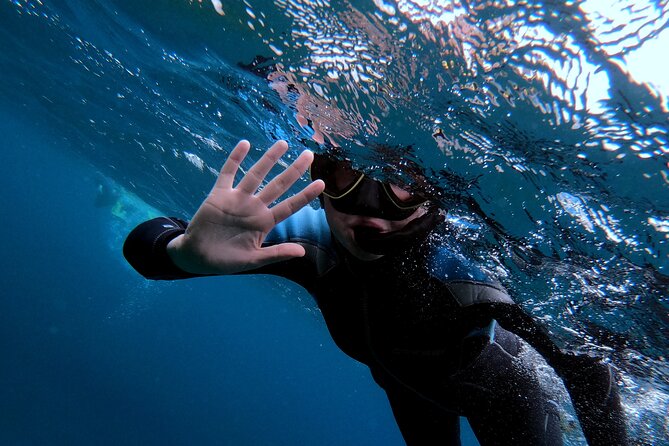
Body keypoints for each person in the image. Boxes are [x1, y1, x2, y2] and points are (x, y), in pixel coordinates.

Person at [123, 139, 628, 445]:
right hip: (409, 395)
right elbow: (150, 244)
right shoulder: (306, 241)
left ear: (432, 195)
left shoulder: (469, 273)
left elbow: (586, 366)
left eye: (397, 183)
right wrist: (180, 254)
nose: (368, 210)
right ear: (320, 181)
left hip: (506, 396)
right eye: (344, 179)